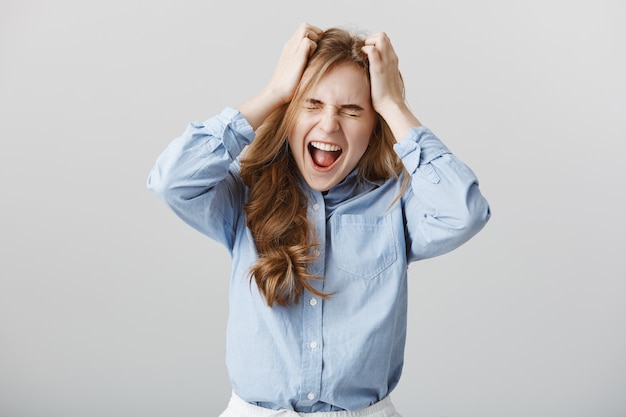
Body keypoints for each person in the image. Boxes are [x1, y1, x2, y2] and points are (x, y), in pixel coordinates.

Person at [148, 22, 490, 416]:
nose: (329, 125)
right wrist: (274, 92)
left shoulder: (397, 205)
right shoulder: (245, 197)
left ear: (374, 124)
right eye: (311, 104)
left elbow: (465, 212)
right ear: (289, 114)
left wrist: (394, 105)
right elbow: (171, 180)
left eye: (351, 110)